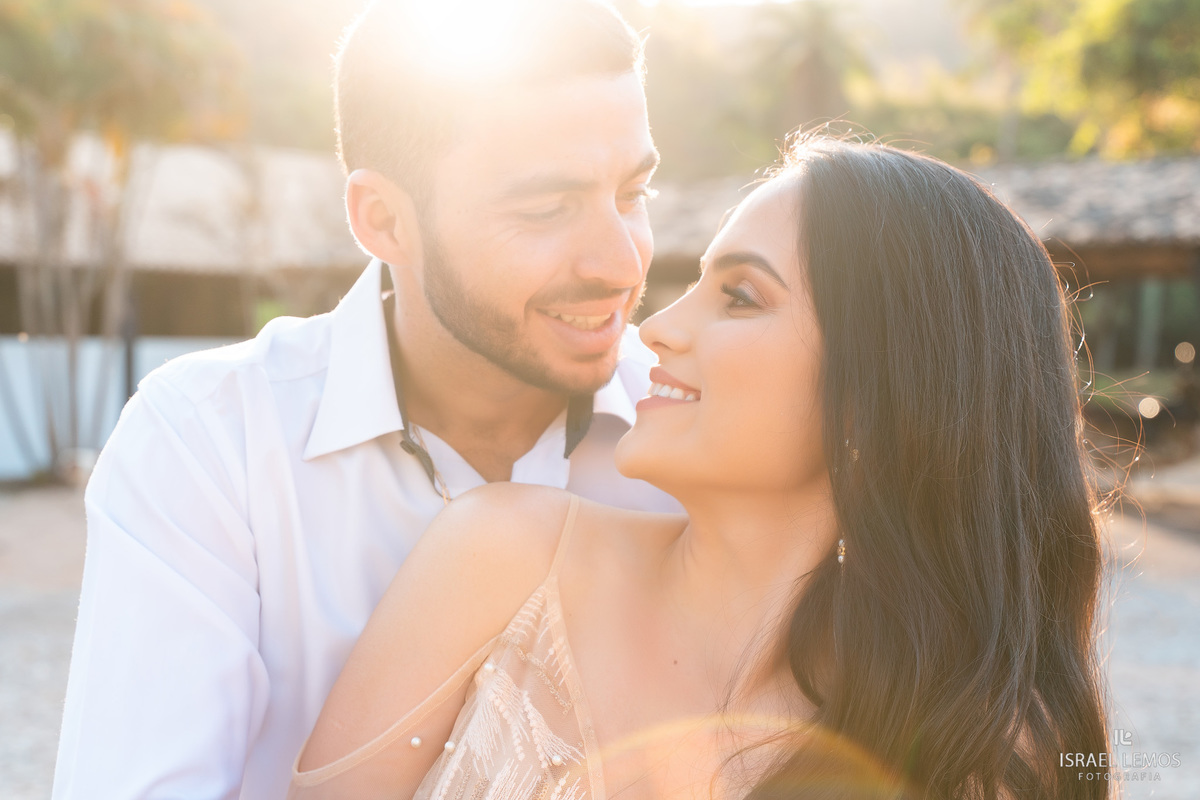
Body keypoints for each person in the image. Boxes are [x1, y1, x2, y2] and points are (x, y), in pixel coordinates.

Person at [289, 137, 1112, 800]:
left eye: (741, 297)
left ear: (883, 392)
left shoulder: (977, 748)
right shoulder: (506, 555)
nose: (656, 328)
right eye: (696, 285)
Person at [52, 2, 682, 798]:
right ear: (383, 221)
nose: (622, 262)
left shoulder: (700, 427)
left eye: (633, 193)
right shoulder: (213, 441)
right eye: (545, 210)